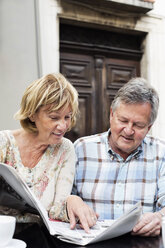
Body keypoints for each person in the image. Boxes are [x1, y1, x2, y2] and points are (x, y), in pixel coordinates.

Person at [0, 73, 98, 236]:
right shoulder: (4, 143)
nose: (63, 126)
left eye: (67, 117)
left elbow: (56, 209)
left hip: (41, 236)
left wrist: (72, 202)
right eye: (54, 117)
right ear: (32, 114)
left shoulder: (65, 149)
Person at [73, 77, 165, 237]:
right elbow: (63, 199)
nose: (128, 130)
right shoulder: (81, 149)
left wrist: (160, 218)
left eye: (138, 125)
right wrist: (72, 201)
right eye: (123, 120)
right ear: (111, 115)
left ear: (149, 128)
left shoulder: (161, 153)